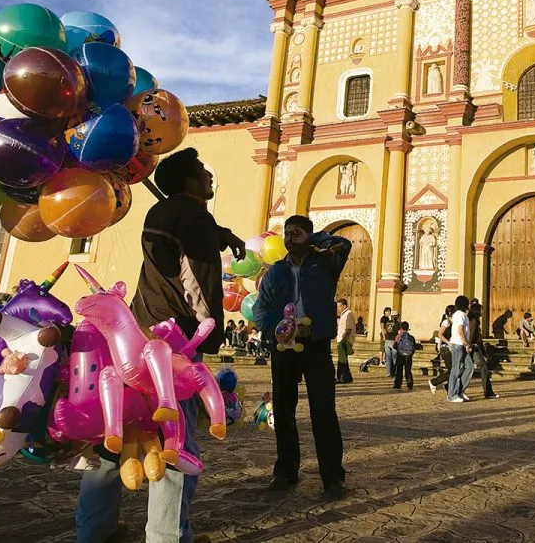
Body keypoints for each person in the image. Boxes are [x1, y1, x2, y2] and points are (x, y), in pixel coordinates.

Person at [77, 146, 245, 543]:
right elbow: (197, 285)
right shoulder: (195, 218)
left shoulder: (161, 213)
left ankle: (93, 529)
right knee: (174, 437)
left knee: (117, 426)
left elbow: (179, 248)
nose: (209, 176)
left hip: (131, 334)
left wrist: (220, 234)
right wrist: (213, 330)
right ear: (189, 181)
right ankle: (168, 535)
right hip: (174, 344)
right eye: (203, 171)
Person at [252, 215, 351, 495]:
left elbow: (343, 243)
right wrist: (275, 329)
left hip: (315, 344)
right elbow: (261, 308)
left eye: (296, 233)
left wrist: (314, 240)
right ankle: (285, 471)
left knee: (323, 411)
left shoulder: (325, 264)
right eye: (287, 233)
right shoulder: (275, 272)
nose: (289, 238)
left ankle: (333, 477)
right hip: (283, 347)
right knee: (284, 410)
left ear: (308, 235)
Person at [446, 295, 474, 403]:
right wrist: (466, 344)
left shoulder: (463, 315)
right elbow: (460, 330)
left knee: (469, 367)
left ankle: (459, 390)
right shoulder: (460, 315)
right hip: (458, 344)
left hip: (462, 344)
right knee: (456, 370)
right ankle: (451, 394)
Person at [468, 302, 498, 399]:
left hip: (473, 347)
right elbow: (472, 335)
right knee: (482, 367)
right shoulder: (474, 321)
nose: (482, 311)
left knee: (468, 369)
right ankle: (488, 392)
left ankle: (488, 391)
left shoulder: (474, 320)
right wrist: (469, 346)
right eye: (481, 309)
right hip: (472, 348)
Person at [428, 305, 455, 395]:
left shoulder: (453, 322)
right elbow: (440, 334)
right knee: (452, 370)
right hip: (445, 348)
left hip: (451, 348)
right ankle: (434, 382)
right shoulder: (446, 322)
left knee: (453, 369)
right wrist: (448, 342)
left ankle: (449, 387)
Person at [335, 299, 354, 384]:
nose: (338, 308)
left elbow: (348, 329)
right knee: (343, 359)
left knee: (342, 360)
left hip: (344, 340)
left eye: (339, 306)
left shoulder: (348, 314)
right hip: (340, 339)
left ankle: (342, 377)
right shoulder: (343, 314)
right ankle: (348, 377)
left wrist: (343, 341)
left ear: (344, 306)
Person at [392, 322, 416, 391]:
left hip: (400, 355)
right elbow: (414, 347)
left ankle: (398, 384)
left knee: (399, 370)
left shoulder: (399, 337)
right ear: (408, 328)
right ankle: (410, 384)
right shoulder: (411, 337)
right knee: (408, 369)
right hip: (408, 356)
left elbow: (394, 346)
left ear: (401, 328)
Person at [380, 307, 398, 376]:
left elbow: (384, 328)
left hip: (387, 340)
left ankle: (388, 372)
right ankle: (394, 372)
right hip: (393, 341)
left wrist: (385, 336)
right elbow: (399, 332)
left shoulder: (387, 322)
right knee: (394, 357)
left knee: (388, 357)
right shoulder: (397, 324)